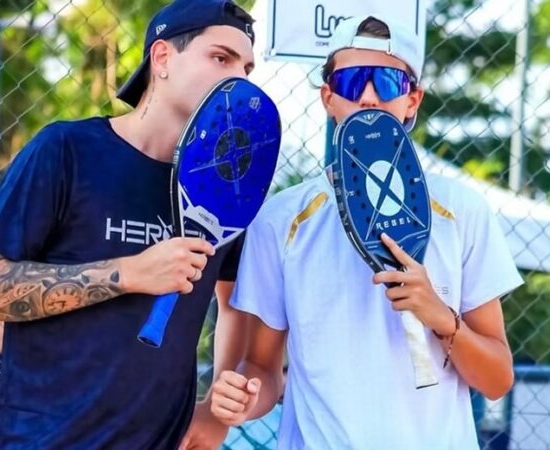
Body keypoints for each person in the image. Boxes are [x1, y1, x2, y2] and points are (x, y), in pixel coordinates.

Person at [206, 11, 524, 450]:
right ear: (328, 98)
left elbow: (496, 379)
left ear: (412, 101)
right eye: (354, 82)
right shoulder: (281, 219)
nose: (370, 97)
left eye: (389, 83)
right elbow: (262, 369)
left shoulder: (463, 211)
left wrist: (439, 317)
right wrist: (243, 397)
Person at [0, 0, 257, 448]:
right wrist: (130, 273)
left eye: (247, 69)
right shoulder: (66, 150)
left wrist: (216, 408)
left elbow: (235, 304)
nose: (237, 79)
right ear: (161, 59)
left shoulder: (225, 187)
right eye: (220, 58)